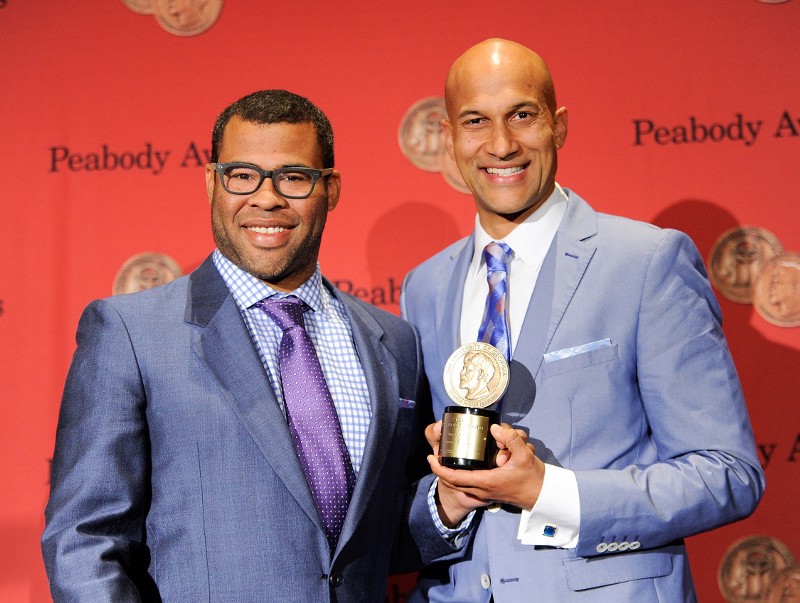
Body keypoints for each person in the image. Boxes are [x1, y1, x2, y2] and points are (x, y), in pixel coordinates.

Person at [401, 39, 765, 601]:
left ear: (559, 126)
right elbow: (418, 491)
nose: (501, 144)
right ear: (449, 139)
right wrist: (447, 502)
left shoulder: (646, 261)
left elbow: (727, 473)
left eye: (522, 115)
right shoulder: (424, 285)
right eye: (476, 121)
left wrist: (549, 492)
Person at [42, 89, 431, 602]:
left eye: (293, 177)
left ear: (330, 189)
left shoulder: (393, 342)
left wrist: (450, 505)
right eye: (243, 175)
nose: (266, 198)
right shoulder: (129, 333)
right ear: (212, 183)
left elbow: (386, 537)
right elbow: (84, 542)